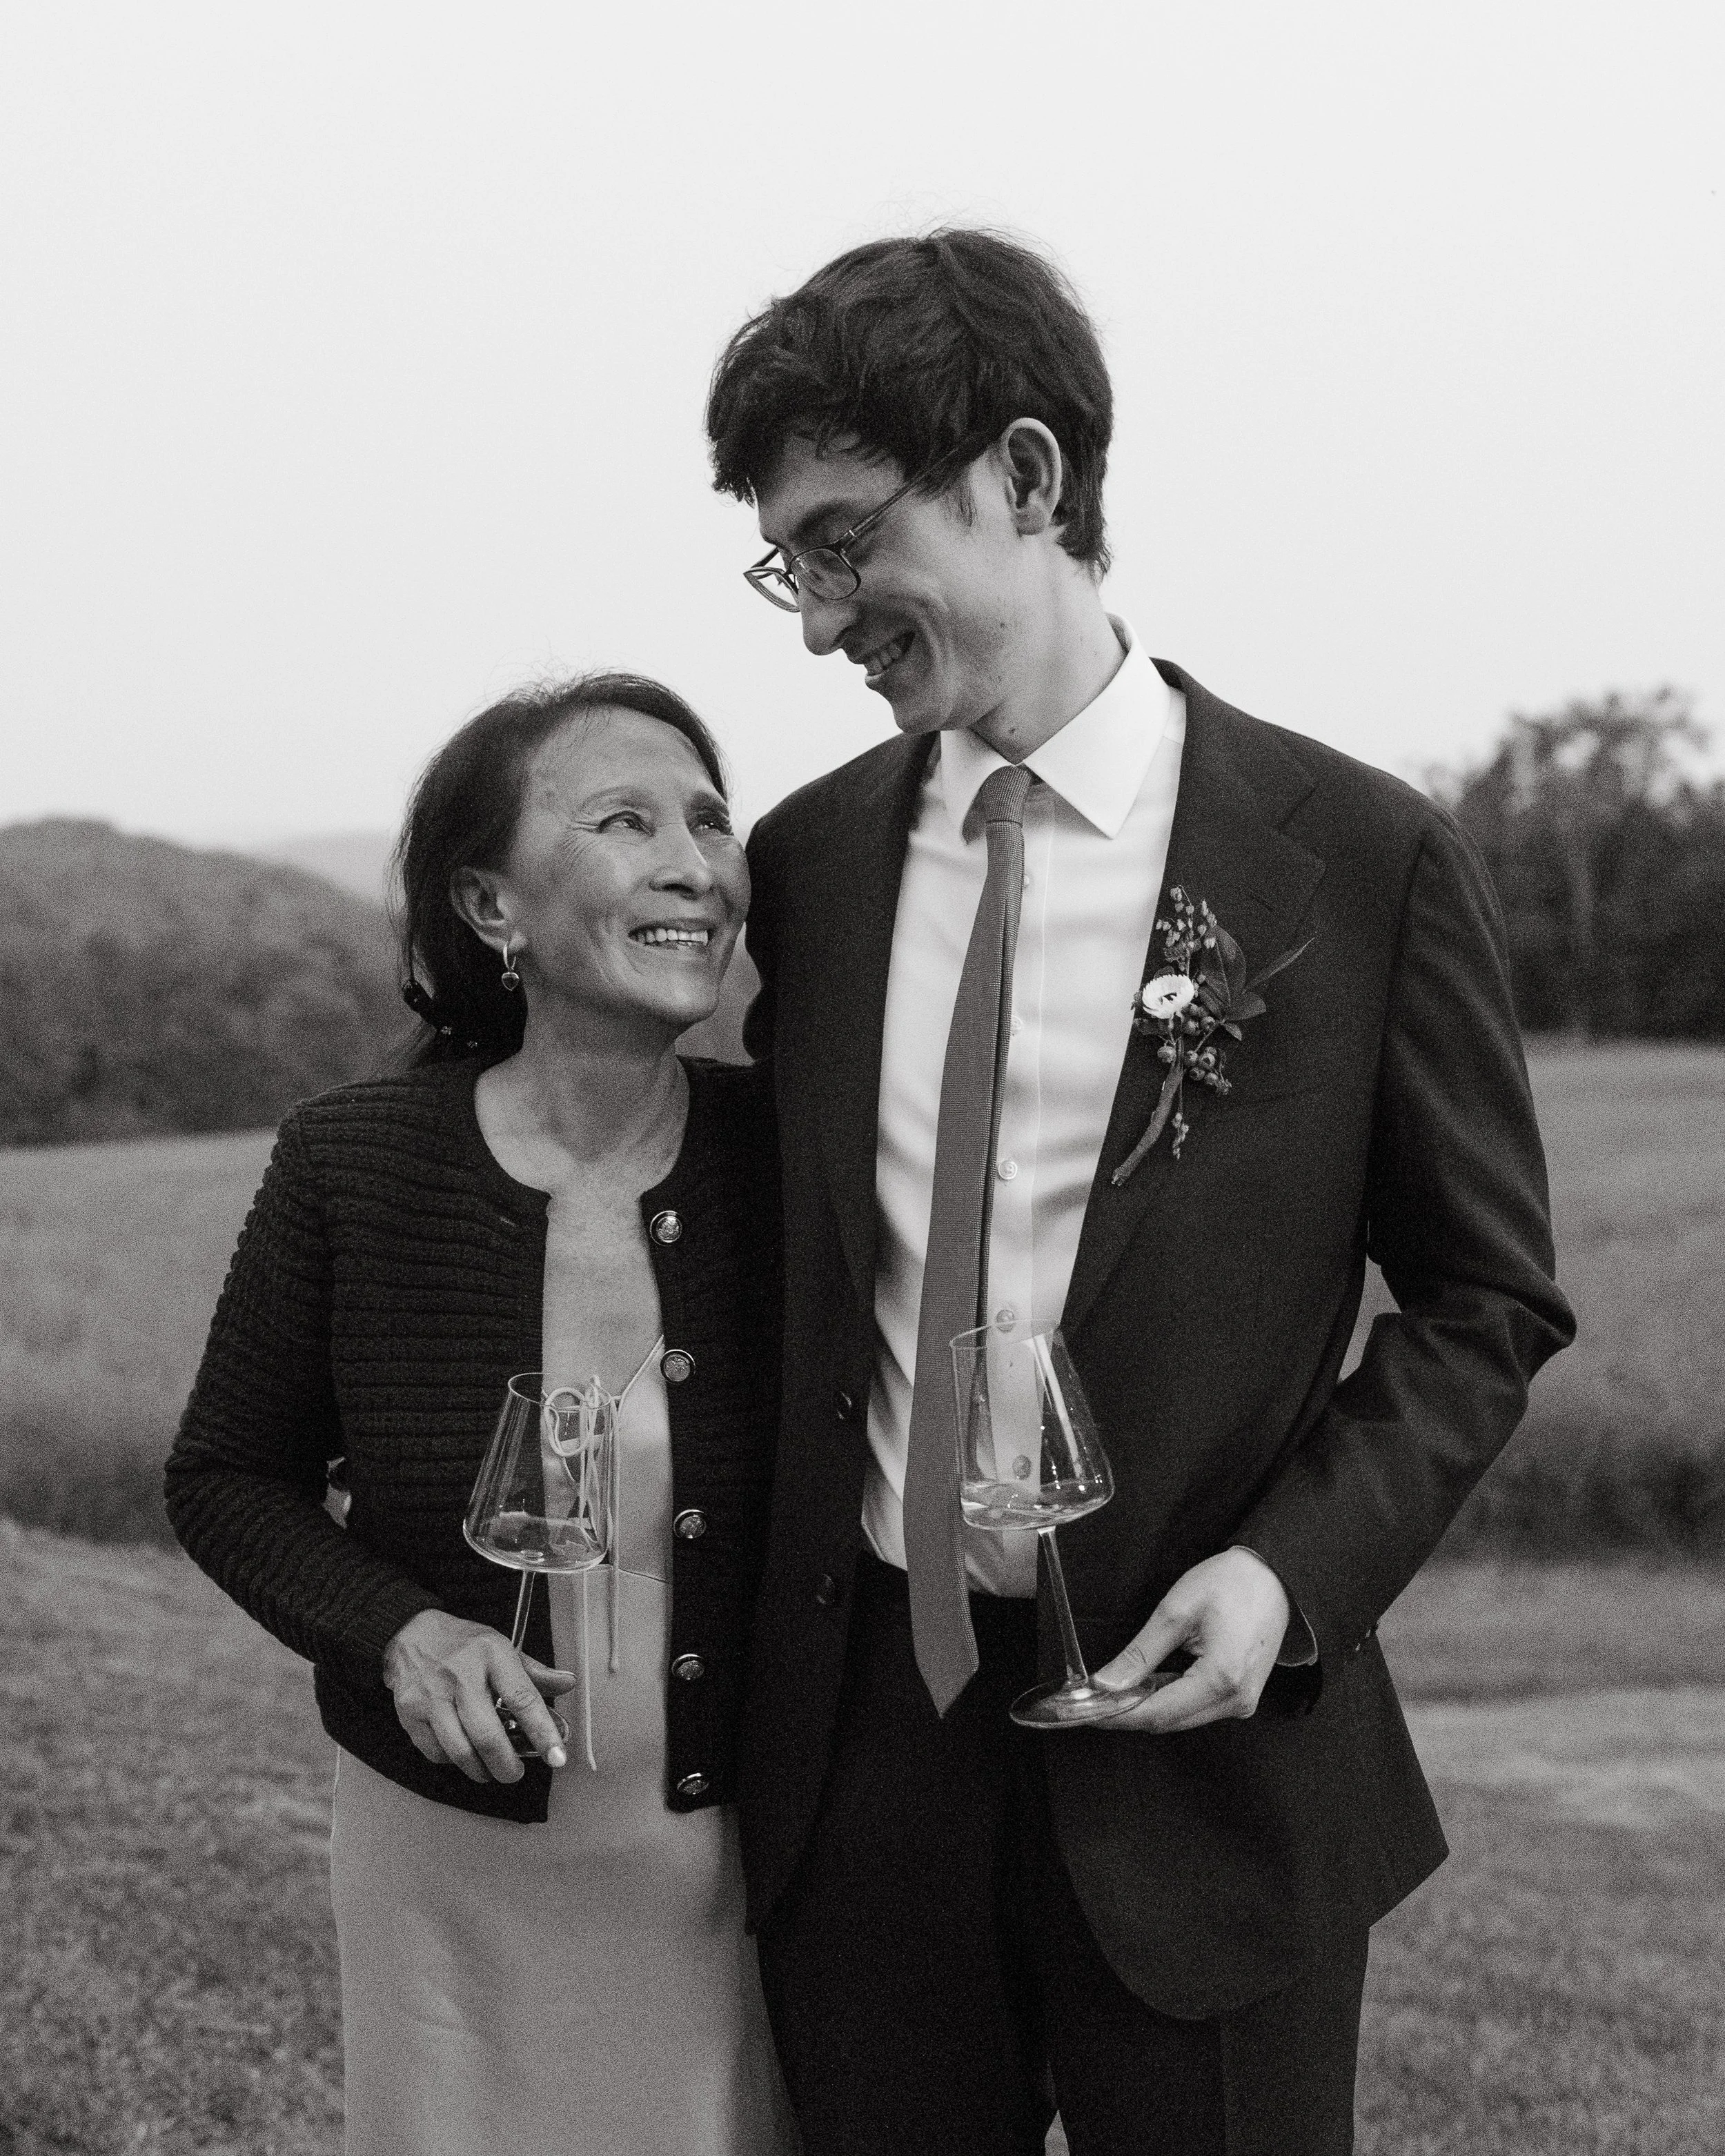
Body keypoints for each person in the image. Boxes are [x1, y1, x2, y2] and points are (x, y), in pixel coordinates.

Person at [703, 231, 1575, 2156]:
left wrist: (1289, 1578)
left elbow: (1479, 1299)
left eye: (846, 542)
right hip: (865, 1758)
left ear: (1023, 476)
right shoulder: (810, 865)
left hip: (1208, 1758)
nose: (817, 616)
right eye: (790, 563)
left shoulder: (1352, 858)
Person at [166, 673, 798, 2155]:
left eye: (710, 819)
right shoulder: (352, 1162)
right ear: (491, 904)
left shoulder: (786, 1160)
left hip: (733, 1866)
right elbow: (224, 1476)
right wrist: (399, 1631)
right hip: (445, 1867)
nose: (691, 863)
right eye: (623, 820)